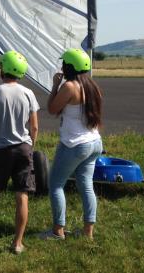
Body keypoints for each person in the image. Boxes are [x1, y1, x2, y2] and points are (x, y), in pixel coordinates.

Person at [0, 50, 39, 254]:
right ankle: (17, 243)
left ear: (3, 69)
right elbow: (35, 127)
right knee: (22, 195)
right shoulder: (29, 93)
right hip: (24, 148)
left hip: (2, 148)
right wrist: (30, 147)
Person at [40, 48, 103, 241]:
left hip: (74, 145)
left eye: (64, 64)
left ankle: (58, 230)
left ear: (69, 67)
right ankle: (87, 232)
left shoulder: (69, 87)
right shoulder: (93, 86)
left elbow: (51, 108)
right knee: (86, 185)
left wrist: (55, 86)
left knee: (56, 184)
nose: (61, 67)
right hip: (94, 142)